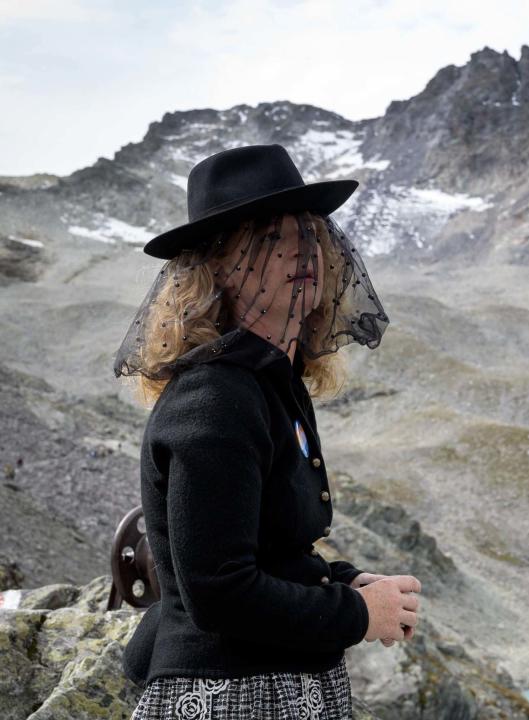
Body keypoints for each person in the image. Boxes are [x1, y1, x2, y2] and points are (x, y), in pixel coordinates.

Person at [114, 144, 420, 719]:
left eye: (308, 232)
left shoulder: (267, 381)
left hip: (272, 683)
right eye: (267, 237)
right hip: (228, 695)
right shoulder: (215, 398)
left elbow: (268, 550)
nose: (301, 250)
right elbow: (219, 591)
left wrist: (346, 581)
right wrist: (358, 615)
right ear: (216, 267)